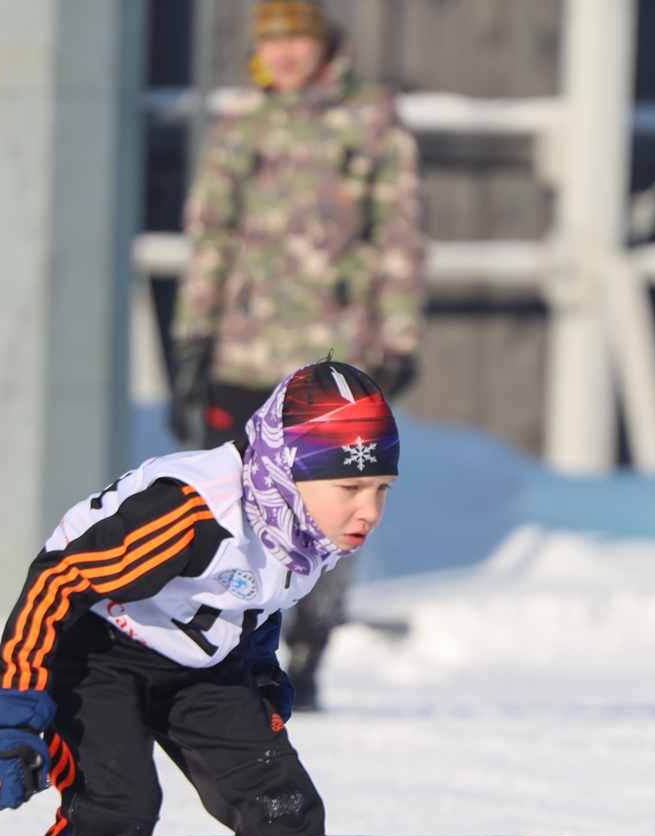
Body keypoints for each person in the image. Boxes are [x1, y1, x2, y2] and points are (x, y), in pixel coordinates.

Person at [0, 359, 418, 836]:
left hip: (199, 664)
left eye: (382, 489)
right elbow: (58, 581)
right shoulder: (193, 509)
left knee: (282, 802)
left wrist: (261, 676)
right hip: (97, 649)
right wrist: (13, 716)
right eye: (352, 487)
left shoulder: (308, 521)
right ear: (288, 468)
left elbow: (252, 599)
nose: (369, 511)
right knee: (117, 818)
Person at [170, 0, 424, 710]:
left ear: (322, 43)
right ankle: (228, 645)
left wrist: (399, 339)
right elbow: (211, 237)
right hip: (244, 351)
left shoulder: (370, 120)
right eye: (270, 40)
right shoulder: (240, 126)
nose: (283, 53)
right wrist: (192, 338)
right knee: (231, 503)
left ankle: (310, 644)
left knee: (334, 504)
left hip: (332, 358)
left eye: (296, 37)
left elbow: (398, 234)